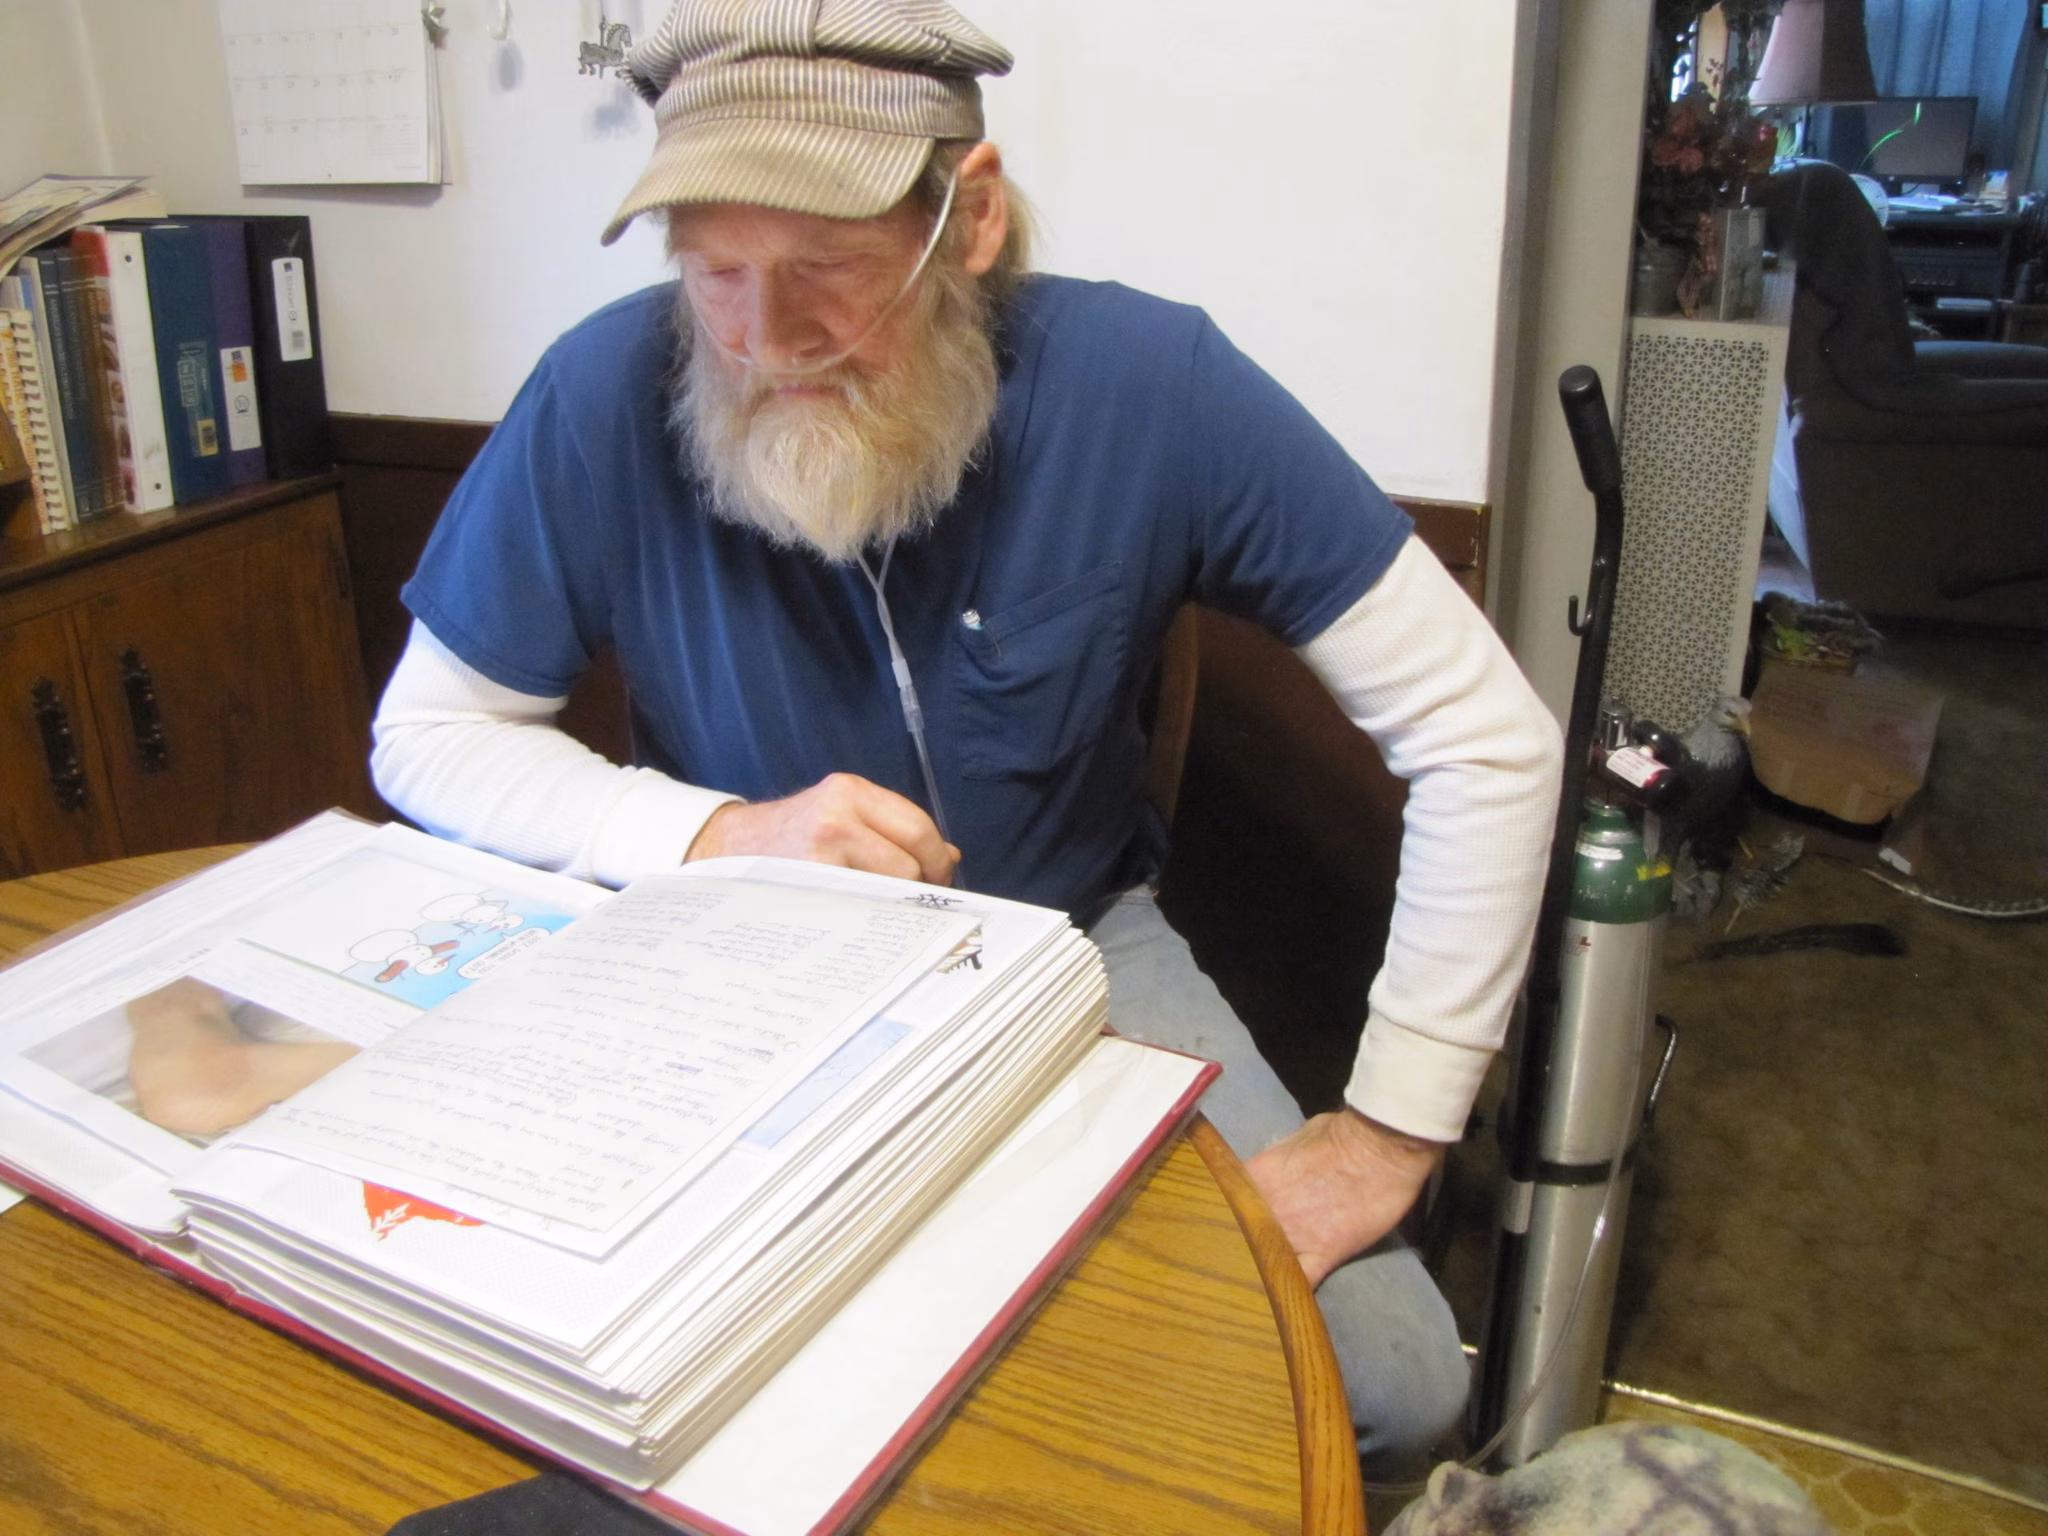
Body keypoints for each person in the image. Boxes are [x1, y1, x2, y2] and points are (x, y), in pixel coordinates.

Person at [373, 0, 1562, 1480]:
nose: (763, 344)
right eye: (716, 275)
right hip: (726, 967)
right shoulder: (602, 392)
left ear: (973, 217)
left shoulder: (1151, 383)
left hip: (1073, 943)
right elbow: (427, 733)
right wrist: (716, 835)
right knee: (674, 1384)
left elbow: (1491, 742)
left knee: (1390, 1384)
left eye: (827, 273)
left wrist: (1389, 1132)